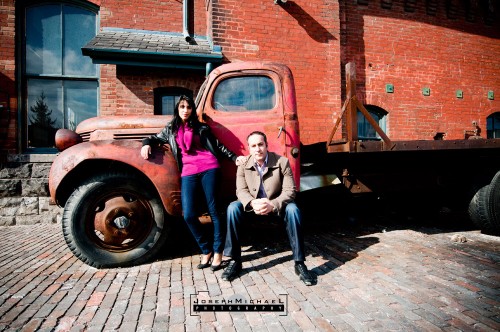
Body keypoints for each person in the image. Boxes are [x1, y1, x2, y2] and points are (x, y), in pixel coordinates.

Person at [141, 95, 246, 271]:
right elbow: (155, 138)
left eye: (188, 107)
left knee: (213, 211)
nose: (185, 110)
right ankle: (206, 249)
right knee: (189, 214)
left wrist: (234, 158)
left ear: (192, 110)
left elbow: (217, 145)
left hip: (209, 168)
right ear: (178, 109)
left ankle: (218, 251)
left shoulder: (201, 127)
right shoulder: (171, 128)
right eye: (182, 106)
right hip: (188, 172)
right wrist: (146, 143)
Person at [221, 131, 315, 285]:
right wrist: (252, 203)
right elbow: (241, 191)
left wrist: (273, 204)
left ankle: (300, 263)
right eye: (253, 146)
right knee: (233, 208)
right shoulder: (243, 165)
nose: (257, 149)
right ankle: (235, 261)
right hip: (253, 208)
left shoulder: (282, 162)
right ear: (249, 149)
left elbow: (290, 191)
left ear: (266, 145)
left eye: (260, 144)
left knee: (293, 210)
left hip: (276, 207)